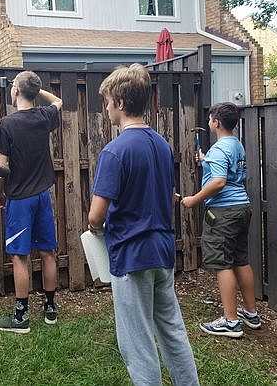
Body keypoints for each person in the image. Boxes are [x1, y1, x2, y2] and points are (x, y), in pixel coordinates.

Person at [87, 64, 199, 386]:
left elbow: (96, 215)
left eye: (107, 101)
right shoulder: (162, 145)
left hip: (132, 256)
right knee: (172, 330)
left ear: (120, 103)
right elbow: (166, 194)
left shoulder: (115, 151)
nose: (106, 108)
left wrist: (95, 230)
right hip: (162, 252)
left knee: (137, 343)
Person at [0, 71, 63, 334]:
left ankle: (21, 317)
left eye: (13, 87)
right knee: (47, 252)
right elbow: (58, 101)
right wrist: (37, 89)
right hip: (43, 195)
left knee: (20, 257)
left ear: (16, 92)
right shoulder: (44, 117)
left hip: (19, 199)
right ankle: (50, 307)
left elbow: (1, 166)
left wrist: (0, 193)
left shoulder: (7, 124)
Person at [181, 101, 261, 339]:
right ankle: (250, 312)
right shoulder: (236, 145)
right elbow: (227, 172)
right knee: (240, 259)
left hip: (223, 212)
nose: (208, 122)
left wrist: (194, 199)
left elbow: (219, 182)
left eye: (209, 119)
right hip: (241, 208)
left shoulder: (219, 149)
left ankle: (231, 321)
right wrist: (206, 160)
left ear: (216, 122)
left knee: (222, 264)